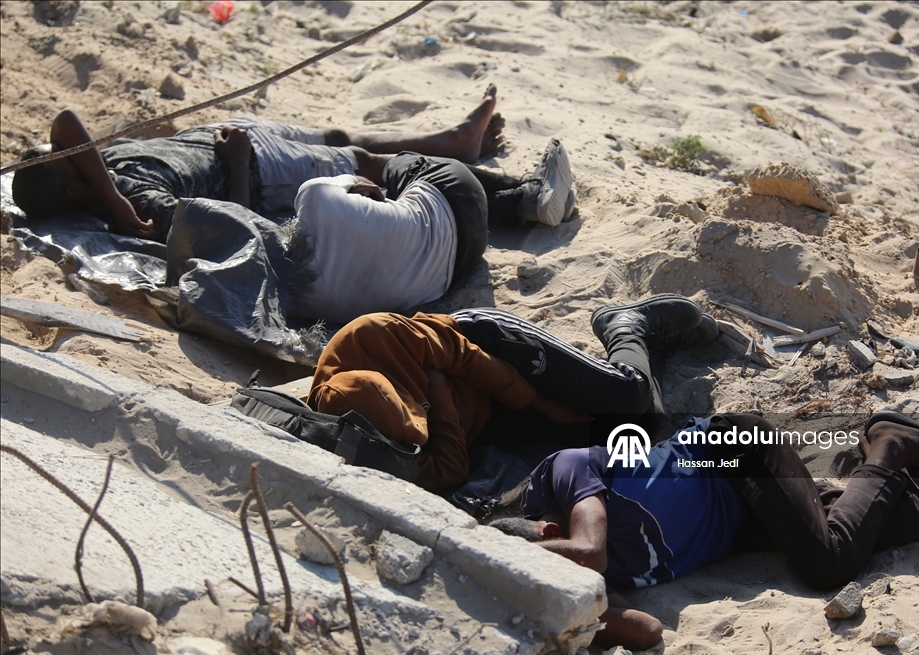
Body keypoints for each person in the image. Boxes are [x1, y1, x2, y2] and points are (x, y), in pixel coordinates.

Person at [491, 412, 919, 650]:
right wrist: (561, 617)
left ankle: (891, 441)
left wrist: (533, 565)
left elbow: (592, 552)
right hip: (738, 521)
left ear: (547, 531)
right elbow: (646, 628)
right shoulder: (578, 581)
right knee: (908, 519)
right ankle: (882, 455)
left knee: (831, 561)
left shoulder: (564, 473)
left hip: (734, 456)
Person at [305, 296, 720, 492]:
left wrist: (543, 405)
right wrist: (439, 394)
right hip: (483, 423)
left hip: (490, 347)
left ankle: (626, 325)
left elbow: (471, 360)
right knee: (638, 434)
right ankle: (654, 351)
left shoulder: (374, 334)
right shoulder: (364, 448)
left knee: (628, 394)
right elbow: (448, 470)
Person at [11, 85, 508, 241]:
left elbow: (66, 121)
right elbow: (231, 227)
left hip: (222, 139)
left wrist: (110, 196)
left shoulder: (105, 182)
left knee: (336, 136)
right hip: (252, 167)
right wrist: (237, 162)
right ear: (74, 192)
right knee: (365, 163)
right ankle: (494, 186)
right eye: (68, 163)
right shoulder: (142, 203)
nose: (73, 152)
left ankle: (451, 141)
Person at [289, 137, 578, 325]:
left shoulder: (312, 308)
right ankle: (528, 194)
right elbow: (369, 186)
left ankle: (522, 202)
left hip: (458, 266)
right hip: (457, 195)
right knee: (396, 165)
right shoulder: (314, 196)